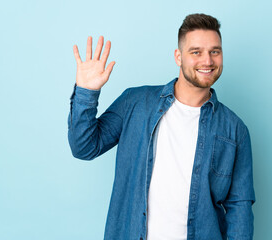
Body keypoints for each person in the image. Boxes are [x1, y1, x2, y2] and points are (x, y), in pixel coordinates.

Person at [68, 13, 255, 240]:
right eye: (196, 52)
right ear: (178, 57)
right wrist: (87, 92)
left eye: (214, 51)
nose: (207, 61)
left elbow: (239, 207)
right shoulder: (135, 102)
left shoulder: (235, 130)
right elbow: (84, 148)